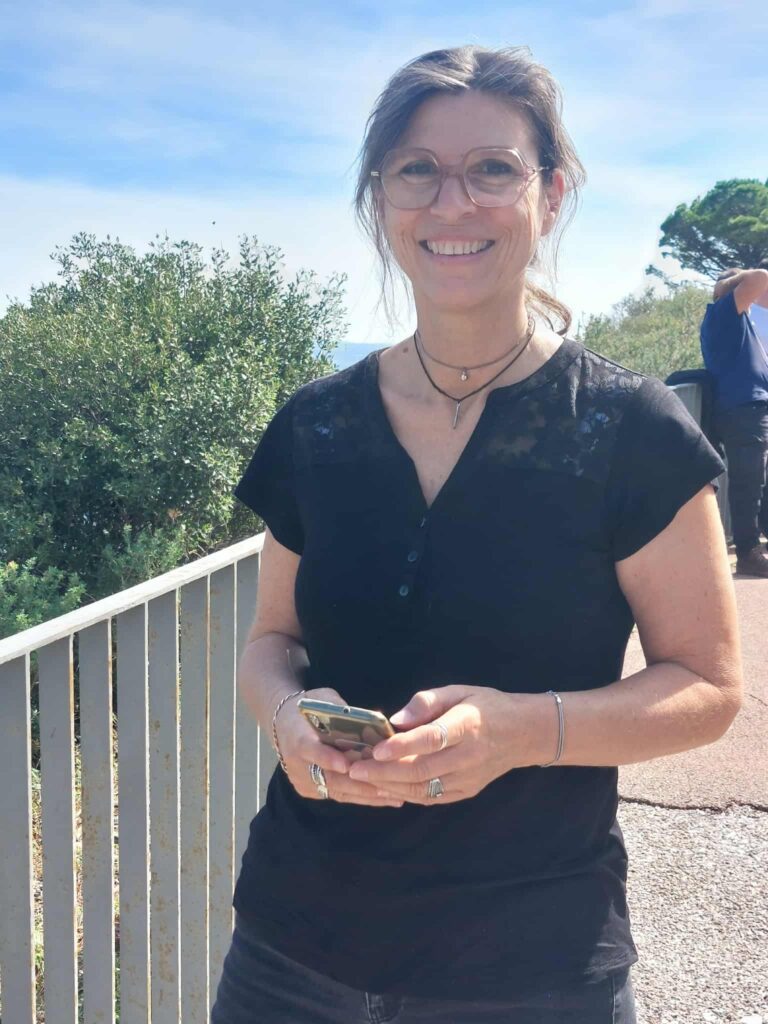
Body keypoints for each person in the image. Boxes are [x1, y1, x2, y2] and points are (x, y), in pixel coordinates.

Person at [211, 45, 743, 1024]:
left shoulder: (630, 428)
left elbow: (708, 690)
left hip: (533, 967)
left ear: (551, 193)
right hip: (288, 951)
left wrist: (523, 731)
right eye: (417, 169)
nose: (452, 202)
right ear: (381, 198)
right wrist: (288, 717)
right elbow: (269, 642)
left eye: (492, 169)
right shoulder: (315, 424)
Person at [700, 265, 768, 576]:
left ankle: (753, 545)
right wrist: (733, 280)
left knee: (757, 480)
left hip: (750, 408)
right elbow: (761, 278)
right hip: (742, 409)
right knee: (748, 483)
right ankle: (748, 552)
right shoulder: (723, 313)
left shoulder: (736, 319)